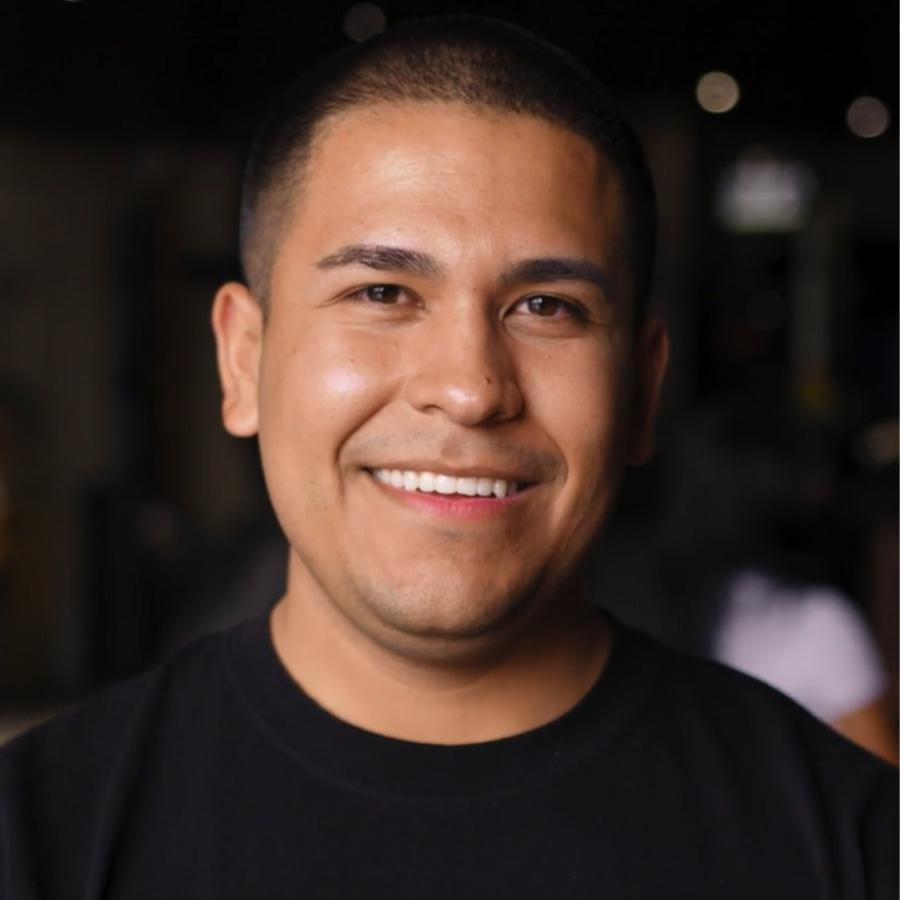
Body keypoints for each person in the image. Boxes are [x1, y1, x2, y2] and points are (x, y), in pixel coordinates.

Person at [0, 16, 895, 899]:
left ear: (640, 392)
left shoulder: (849, 841)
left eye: (547, 307)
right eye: (382, 291)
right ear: (243, 360)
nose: (469, 389)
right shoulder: (38, 837)